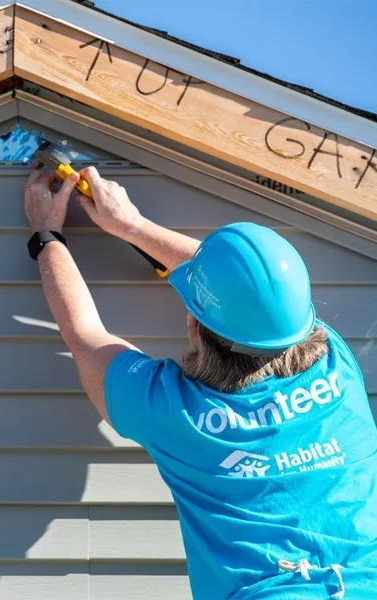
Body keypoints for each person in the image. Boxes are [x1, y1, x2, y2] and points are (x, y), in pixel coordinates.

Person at [22, 165, 377, 599]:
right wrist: (133, 225)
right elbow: (256, 293)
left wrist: (46, 233)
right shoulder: (335, 366)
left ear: (194, 325)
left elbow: (85, 335)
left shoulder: (174, 412)